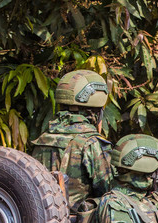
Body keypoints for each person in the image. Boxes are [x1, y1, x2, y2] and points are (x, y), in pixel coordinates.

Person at [29, 69, 115, 208]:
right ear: (96, 110)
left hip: (43, 221)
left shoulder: (43, 138)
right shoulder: (91, 143)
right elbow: (107, 192)